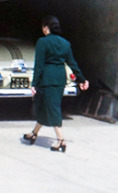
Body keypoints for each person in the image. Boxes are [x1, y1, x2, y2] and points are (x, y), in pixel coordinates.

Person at [23, 15, 89, 152]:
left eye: (43, 27)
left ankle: (61, 140)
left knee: (52, 108)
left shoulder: (42, 42)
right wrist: (81, 79)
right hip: (59, 78)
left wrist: (34, 84)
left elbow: (39, 64)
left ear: (46, 27)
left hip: (46, 79)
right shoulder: (65, 43)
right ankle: (34, 133)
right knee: (44, 107)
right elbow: (72, 63)